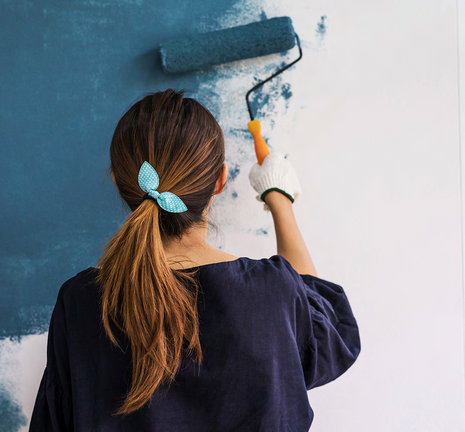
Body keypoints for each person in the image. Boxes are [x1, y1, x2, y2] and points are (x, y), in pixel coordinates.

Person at [28, 89, 361, 431]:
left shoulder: (81, 302)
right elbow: (330, 336)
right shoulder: (270, 292)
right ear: (220, 180)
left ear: (118, 182)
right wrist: (280, 198)